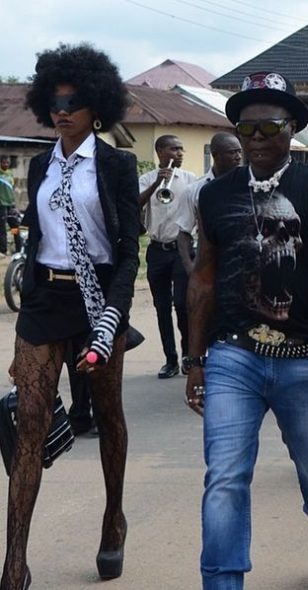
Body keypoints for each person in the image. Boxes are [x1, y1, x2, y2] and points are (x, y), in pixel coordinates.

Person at [185, 71, 308, 590]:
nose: (258, 139)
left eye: (271, 128)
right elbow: (204, 279)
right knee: (225, 477)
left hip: (304, 354)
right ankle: (221, 581)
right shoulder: (214, 196)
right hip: (233, 355)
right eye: (247, 129)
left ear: (293, 130)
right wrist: (195, 361)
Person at [1, 43, 139, 589]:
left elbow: (130, 250)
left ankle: (113, 518)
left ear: (96, 106)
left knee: (108, 417)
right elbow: (37, 238)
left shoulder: (118, 165)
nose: (64, 109)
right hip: (43, 303)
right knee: (29, 422)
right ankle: (14, 559)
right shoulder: (38, 166)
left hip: (96, 300)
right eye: (55, 100)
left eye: (75, 101)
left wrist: (114, 315)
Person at [139, 135, 197, 379]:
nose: (180, 153)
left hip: (182, 250)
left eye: (182, 148)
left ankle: (187, 355)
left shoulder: (191, 180)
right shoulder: (146, 179)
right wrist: (156, 184)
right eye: (174, 148)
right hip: (157, 250)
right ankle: (170, 359)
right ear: (160, 151)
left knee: (183, 305)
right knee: (162, 307)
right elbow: (133, 204)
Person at [176, 132, 242, 275]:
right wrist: (189, 267)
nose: (238, 157)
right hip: (206, 261)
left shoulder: (248, 186)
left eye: (239, 151)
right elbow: (183, 233)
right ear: (215, 155)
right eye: (232, 152)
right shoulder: (194, 190)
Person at [0, 155, 15, 257]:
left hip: (11, 204)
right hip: (1, 204)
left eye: (8, 162)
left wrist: (14, 202)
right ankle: (3, 250)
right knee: (2, 228)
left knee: (15, 226)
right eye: (4, 162)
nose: (6, 164)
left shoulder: (10, 174)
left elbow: (12, 189)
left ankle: (18, 248)